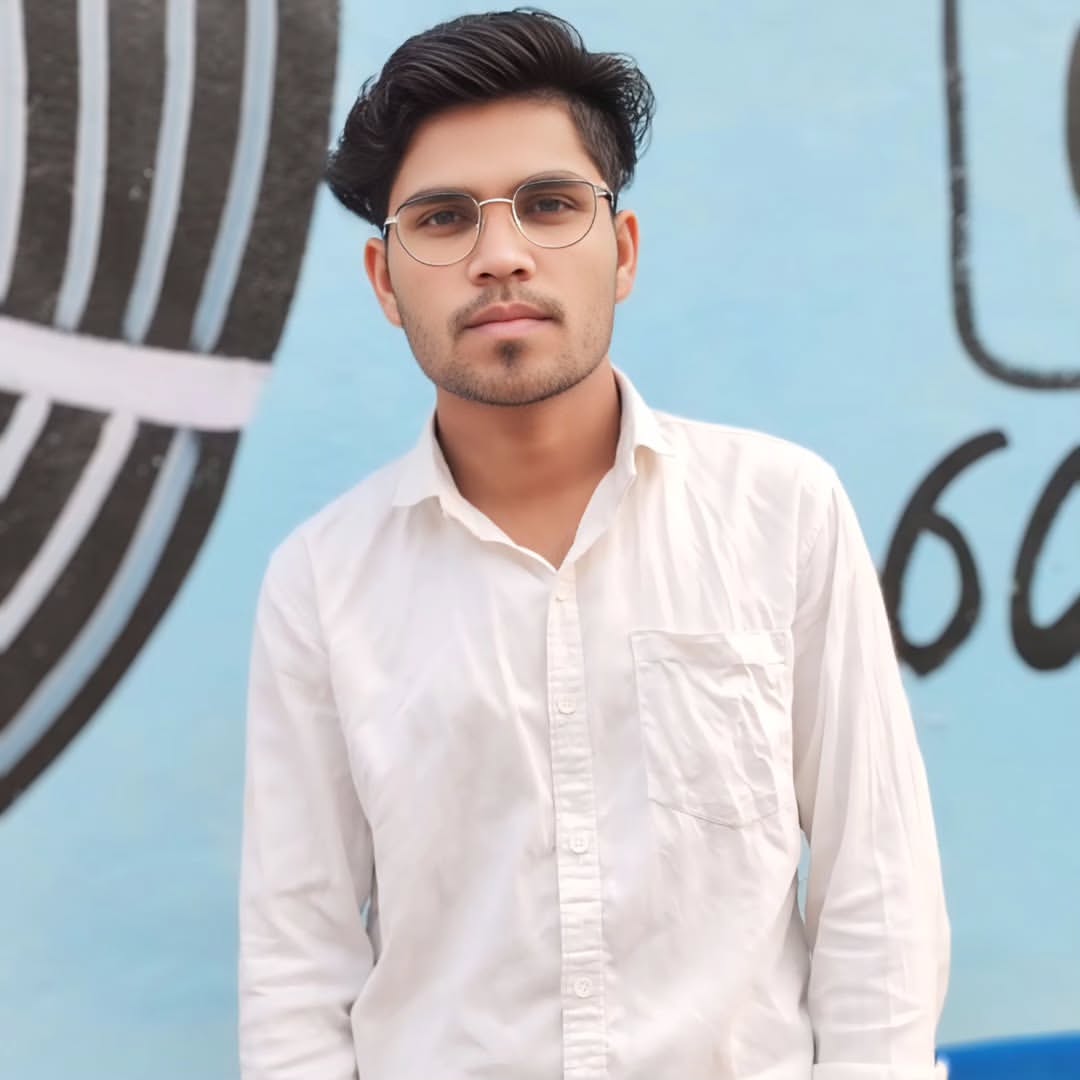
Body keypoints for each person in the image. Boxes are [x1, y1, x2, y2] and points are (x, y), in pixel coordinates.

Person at [238, 9, 951, 1079]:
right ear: (385, 280)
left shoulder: (783, 510)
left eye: (549, 204)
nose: (501, 257)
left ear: (620, 252)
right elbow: (297, 960)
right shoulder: (323, 581)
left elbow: (877, 884)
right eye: (443, 219)